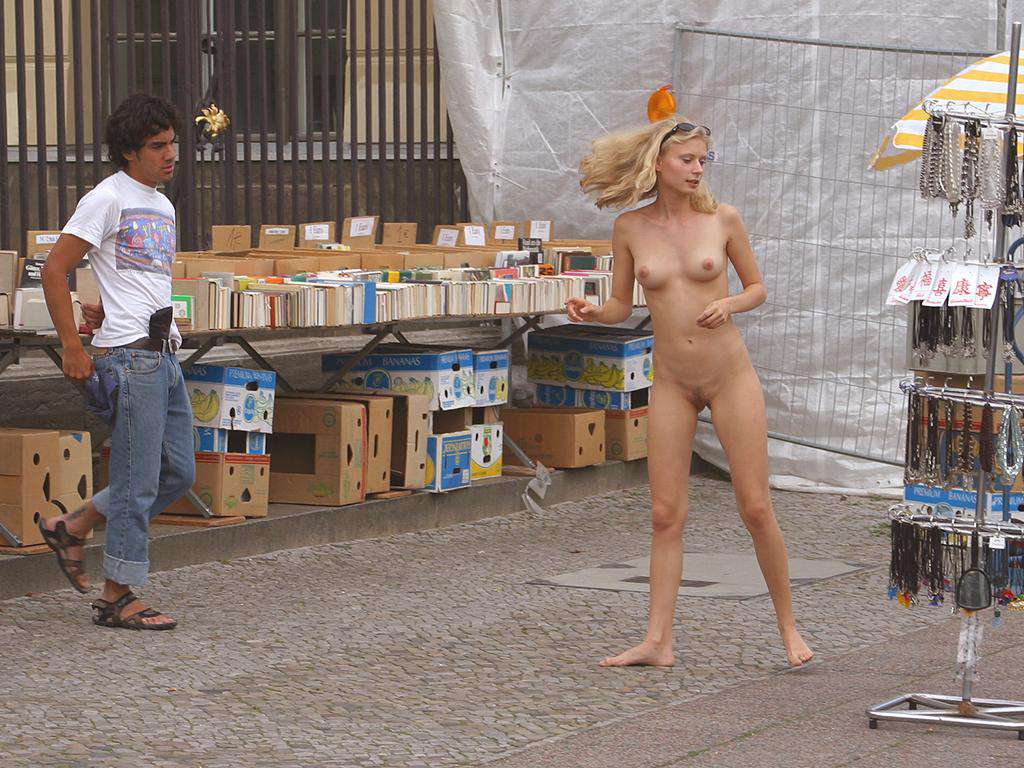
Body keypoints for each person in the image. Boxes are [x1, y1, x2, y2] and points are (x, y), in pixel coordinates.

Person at [568, 117, 814, 668]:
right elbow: (622, 305)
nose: (698, 169)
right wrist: (595, 311)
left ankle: (789, 627)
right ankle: (658, 641)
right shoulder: (630, 228)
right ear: (658, 164)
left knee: (755, 506)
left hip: (730, 377)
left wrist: (730, 303)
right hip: (672, 383)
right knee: (664, 514)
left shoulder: (723, 219)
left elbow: (758, 288)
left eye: (704, 159)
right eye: (688, 160)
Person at [38, 93, 194, 630]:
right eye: (157, 146)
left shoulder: (162, 204)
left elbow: (136, 277)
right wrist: (72, 347)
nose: (170, 154)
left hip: (163, 352)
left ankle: (75, 524)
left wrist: (110, 307)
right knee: (136, 481)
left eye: (172, 142)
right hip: (129, 359)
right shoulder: (106, 198)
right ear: (130, 151)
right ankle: (117, 596)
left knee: (178, 471)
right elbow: (54, 269)